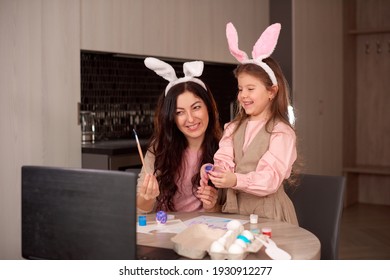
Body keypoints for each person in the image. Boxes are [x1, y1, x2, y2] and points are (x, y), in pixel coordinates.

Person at [200, 22, 299, 225]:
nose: (243, 95)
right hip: (235, 213)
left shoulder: (281, 133)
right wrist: (213, 171)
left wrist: (235, 180)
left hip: (271, 215)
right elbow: (224, 162)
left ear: (272, 91)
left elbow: (270, 179)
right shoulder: (233, 128)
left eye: (250, 88)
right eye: (240, 89)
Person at [136, 57, 223, 213]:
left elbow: (225, 213)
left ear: (208, 107)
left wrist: (211, 205)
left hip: (202, 231)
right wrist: (148, 197)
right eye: (179, 112)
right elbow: (141, 208)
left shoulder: (224, 148)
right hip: (164, 230)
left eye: (196, 107)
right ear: (172, 118)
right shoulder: (159, 147)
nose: (190, 119)